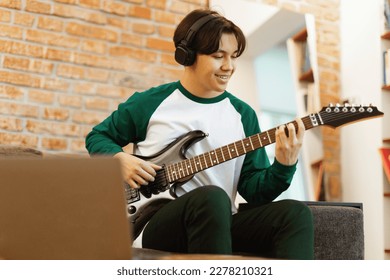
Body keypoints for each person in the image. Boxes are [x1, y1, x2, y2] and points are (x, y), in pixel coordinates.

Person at [85, 8, 314, 260]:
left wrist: (284, 165)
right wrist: (120, 159)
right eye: (219, 56)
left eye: (234, 57)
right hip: (155, 221)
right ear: (187, 56)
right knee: (211, 197)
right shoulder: (151, 102)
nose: (229, 67)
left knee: (295, 213)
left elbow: (254, 192)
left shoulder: (243, 114)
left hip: (219, 222)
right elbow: (97, 137)